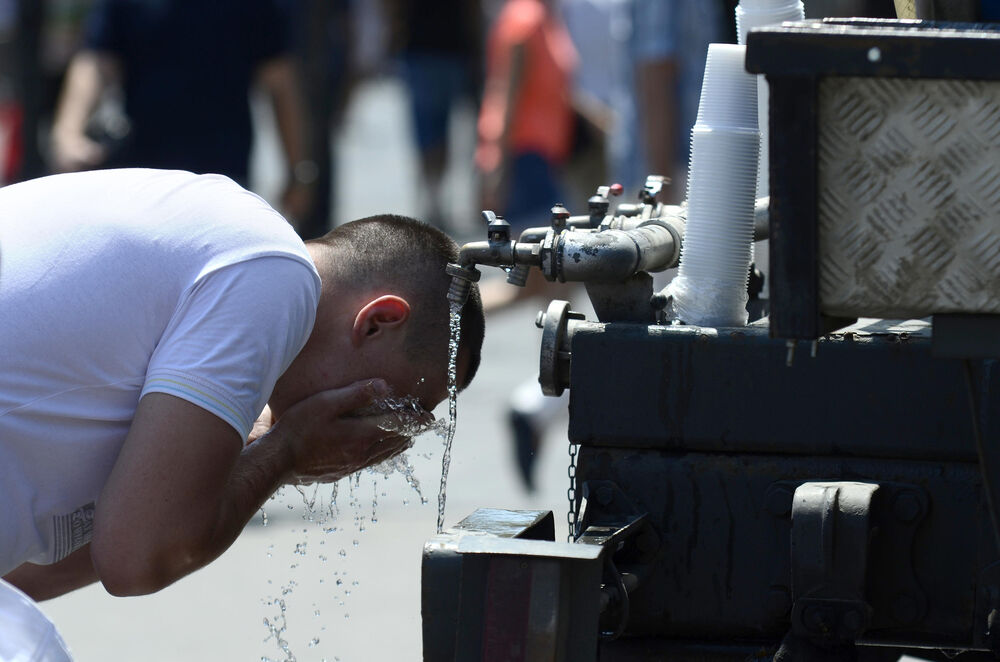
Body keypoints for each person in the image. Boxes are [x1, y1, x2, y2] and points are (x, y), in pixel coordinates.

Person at [0, 168, 484, 653]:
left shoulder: (226, 242)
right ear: (377, 321)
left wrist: (249, 462)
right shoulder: (273, 274)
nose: (385, 429)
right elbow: (135, 559)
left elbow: (22, 579)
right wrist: (284, 452)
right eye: (403, 404)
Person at [48, 0, 315, 227]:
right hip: (143, 177)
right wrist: (67, 133)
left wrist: (297, 172)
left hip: (222, 183)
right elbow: (96, 61)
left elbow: (280, 83)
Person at [384, 0, 483, 234]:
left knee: (432, 131)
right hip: (433, 50)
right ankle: (432, 197)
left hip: (439, 50)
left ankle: (433, 196)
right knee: (433, 130)